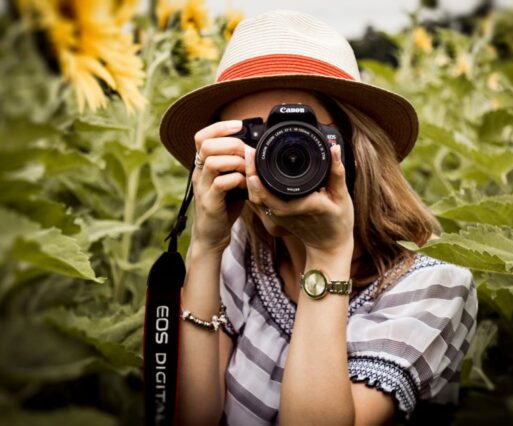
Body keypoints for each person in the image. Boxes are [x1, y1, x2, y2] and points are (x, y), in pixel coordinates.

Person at [159, 9, 478, 426]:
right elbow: (191, 418)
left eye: (298, 135)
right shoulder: (243, 247)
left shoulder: (436, 289)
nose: (277, 156)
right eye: (253, 137)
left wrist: (328, 254)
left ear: (353, 148)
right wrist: (205, 245)